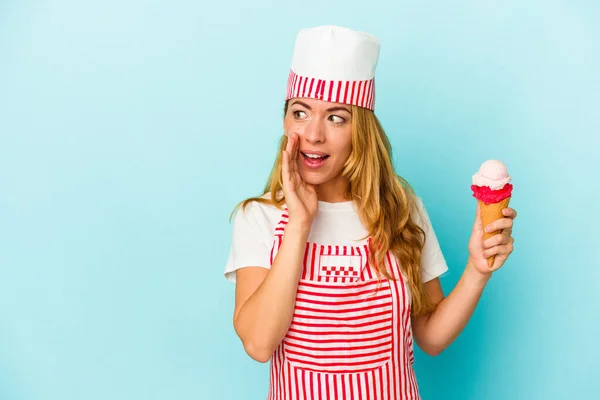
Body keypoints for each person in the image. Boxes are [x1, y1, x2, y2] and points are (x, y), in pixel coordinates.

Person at [223, 25, 517, 400]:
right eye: (300, 112)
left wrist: (477, 270)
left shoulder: (401, 210)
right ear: (286, 122)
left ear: (361, 130)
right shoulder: (260, 217)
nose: (313, 134)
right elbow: (259, 344)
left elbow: (430, 336)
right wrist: (299, 223)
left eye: (336, 117)